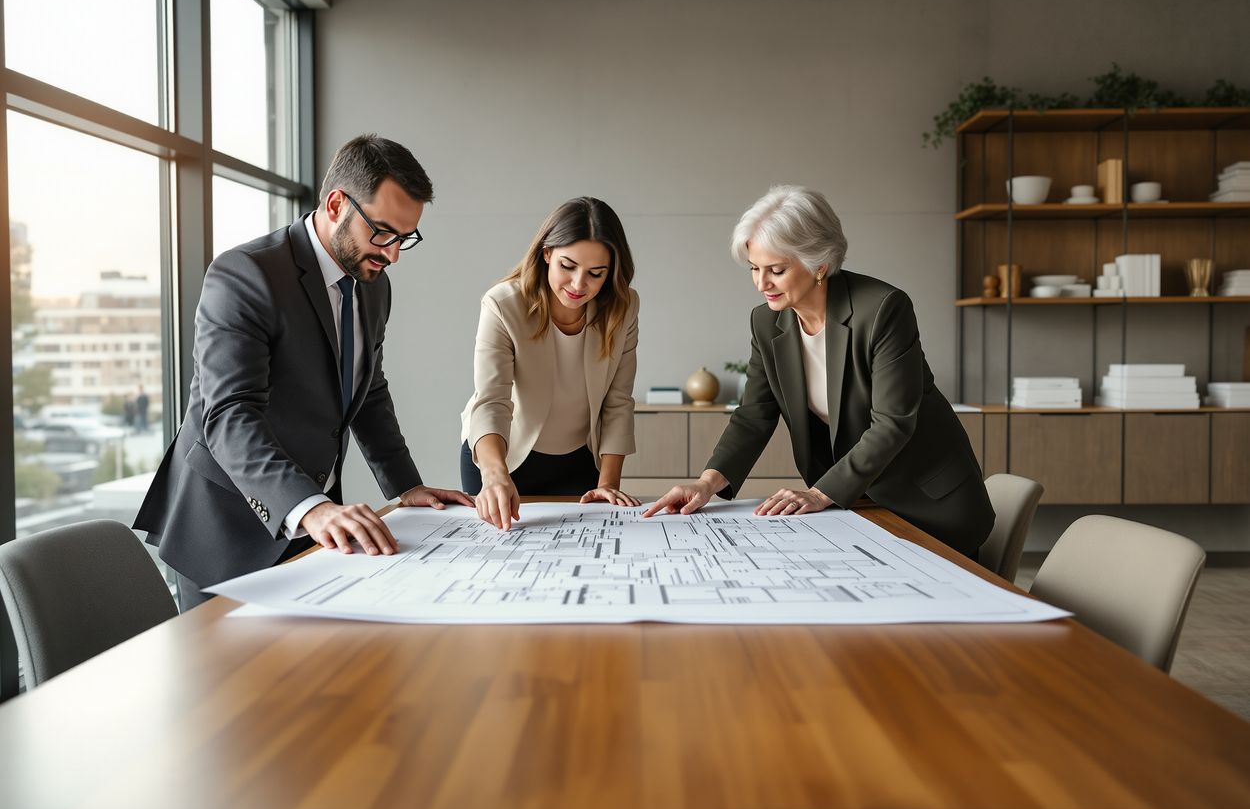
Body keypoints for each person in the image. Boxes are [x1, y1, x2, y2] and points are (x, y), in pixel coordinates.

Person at [135, 134, 472, 608]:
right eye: (382, 232)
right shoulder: (245, 275)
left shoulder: (374, 285)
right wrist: (310, 509)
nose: (393, 253)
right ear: (336, 204)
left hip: (313, 517)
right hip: (228, 526)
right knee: (227, 680)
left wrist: (405, 488)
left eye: (404, 238)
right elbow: (230, 415)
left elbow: (367, 391)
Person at [643, 185, 993, 557]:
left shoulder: (883, 310)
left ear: (819, 264)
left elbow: (893, 423)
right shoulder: (767, 322)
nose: (762, 284)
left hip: (929, 504)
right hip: (857, 504)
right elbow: (754, 415)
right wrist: (707, 483)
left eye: (776, 270)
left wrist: (819, 493)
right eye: (755, 269)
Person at [460, 197, 641, 530]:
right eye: (567, 266)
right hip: (502, 458)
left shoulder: (623, 307)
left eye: (595, 274)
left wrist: (608, 484)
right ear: (546, 254)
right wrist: (495, 475)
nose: (577, 285)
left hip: (579, 460)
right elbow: (491, 401)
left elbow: (617, 401)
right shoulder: (503, 304)